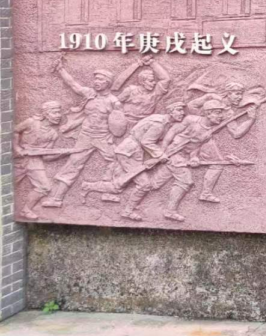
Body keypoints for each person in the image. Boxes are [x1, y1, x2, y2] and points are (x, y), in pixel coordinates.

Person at [44, 57, 126, 208]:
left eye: (100, 79)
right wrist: (60, 69)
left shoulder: (114, 102)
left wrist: (112, 136)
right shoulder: (89, 93)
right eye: (95, 79)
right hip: (86, 136)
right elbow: (73, 84)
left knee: (117, 160)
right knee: (73, 164)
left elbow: (119, 126)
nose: (96, 82)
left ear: (108, 82)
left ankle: (107, 191)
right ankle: (56, 198)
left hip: (103, 137)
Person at [112, 101, 188, 221]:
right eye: (179, 110)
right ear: (170, 111)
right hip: (129, 153)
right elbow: (146, 142)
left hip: (135, 153)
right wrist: (161, 155)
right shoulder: (159, 124)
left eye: (182, 110)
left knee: (121, 183)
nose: (182, 113)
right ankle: (127, 211)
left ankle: (88, 187)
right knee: (143, 184)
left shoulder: (165, 122)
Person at [160, 98, 230, 222]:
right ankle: (169, 211)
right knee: (185, 181)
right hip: (173, 153)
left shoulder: (208, 132)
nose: (221, 116)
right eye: (218, 112)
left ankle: (125, 200)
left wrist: (194, 157)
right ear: (208, 113)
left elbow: (195, 146)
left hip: (183, 156)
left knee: (153, 184)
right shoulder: (191, 120)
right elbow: (172, 132)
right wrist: (162, 153)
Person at [188, 81, 259, 202]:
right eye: (237, 93)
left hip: (206, 138)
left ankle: (205, 193)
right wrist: (208, 97)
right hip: (191, 131)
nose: (240, 97)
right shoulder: (212, 99)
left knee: (217, 163)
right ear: (228, 93)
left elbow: (236, 133)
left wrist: (251, 119)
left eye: (241, 94)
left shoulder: (228, 112)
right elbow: (190, 107)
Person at [14, 101, 65, 220]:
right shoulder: (31, 122)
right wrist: (16, 148)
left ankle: (26, 210)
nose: (58, 115)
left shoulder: (53, 134)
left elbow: (46, 157)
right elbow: (15, 131)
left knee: (44, 187)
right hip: (20, 159)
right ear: (46, 113)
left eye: (59, 112)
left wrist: (61, 154)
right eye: (55, 112)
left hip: (35, 162)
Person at [112, 57, 171, 123]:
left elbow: (166, 79)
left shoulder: (155, 93)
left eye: (154, 80)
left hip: (145, 123)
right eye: (150, 81)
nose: (154, 83)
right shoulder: (130, 90)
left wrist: (152, 63)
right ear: (142, 82)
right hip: (126, 121)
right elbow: (115, 103)